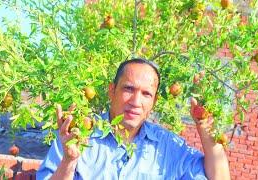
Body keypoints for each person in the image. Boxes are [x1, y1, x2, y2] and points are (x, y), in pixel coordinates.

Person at [36, 58, 230, 180]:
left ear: (154, 101)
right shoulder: (78, 137)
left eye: (146, 94)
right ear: (112, 91)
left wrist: (204, 125)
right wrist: (69, 161)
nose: (136, 101)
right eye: (129, 89)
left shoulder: (169, 148)